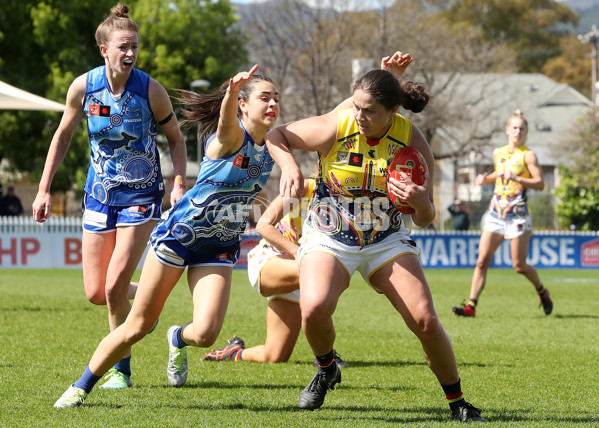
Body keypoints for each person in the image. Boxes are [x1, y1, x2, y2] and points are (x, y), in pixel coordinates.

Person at [265, 54, 486, 422]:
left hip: (386, 239)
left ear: (392, 112)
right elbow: (277, 134)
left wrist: (419, 202)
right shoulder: (339, 124)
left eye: (369, 110)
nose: (359, 115)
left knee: (426, 320)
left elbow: (427, 217)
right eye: (356, 106)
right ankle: (325, 368)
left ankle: (458, 401)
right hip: (330, 234)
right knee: (314, 306)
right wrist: (289, 164)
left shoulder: (411, 140)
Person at [53, 64, 279, 408]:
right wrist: (232, 93)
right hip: (178, 238)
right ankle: (81, 386)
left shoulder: (273, 144)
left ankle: (176, 337)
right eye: (265, 97)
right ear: (244, 105)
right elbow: (224, 123)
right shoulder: (230, 137)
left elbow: (329, 121)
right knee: (137, 326)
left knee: (205, 334)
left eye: (277, 98)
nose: (273, 103)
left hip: (218, 246)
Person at [32, 3, 187, 390]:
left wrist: (178, 182)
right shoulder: (83, 87)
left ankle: (122, 370)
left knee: (115, 285)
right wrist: (43, 187)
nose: (130, 53)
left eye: (134, 45)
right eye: (122, 46)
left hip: (142, 195)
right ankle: (149, 302)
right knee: (96, 293)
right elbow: (63, 136)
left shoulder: (151, 90)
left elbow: (176, 140)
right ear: (104, 49)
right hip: (98, 196)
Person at [202, 178, 346, 366]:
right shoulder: (304, 187)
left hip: (299, 272)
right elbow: (263, 225)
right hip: (269, 260)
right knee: (322, 273)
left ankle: (233, 352)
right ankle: (328, 353)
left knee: (274, 356)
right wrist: (297, 252)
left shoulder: (348, 203)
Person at [452, 110, 552, 318]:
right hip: (496, 213)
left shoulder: (528, 155)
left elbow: (541, 183)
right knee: (482, 261)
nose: (518, 131)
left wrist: (518, 177)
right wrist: (485, 179)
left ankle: (542, 291)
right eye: (514, 128)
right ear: (508, 130)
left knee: (519, 265)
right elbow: (500, 176)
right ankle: (471, 305)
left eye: (522, 128)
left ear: (526, 132)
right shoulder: (499, 153)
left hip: (518, 215)